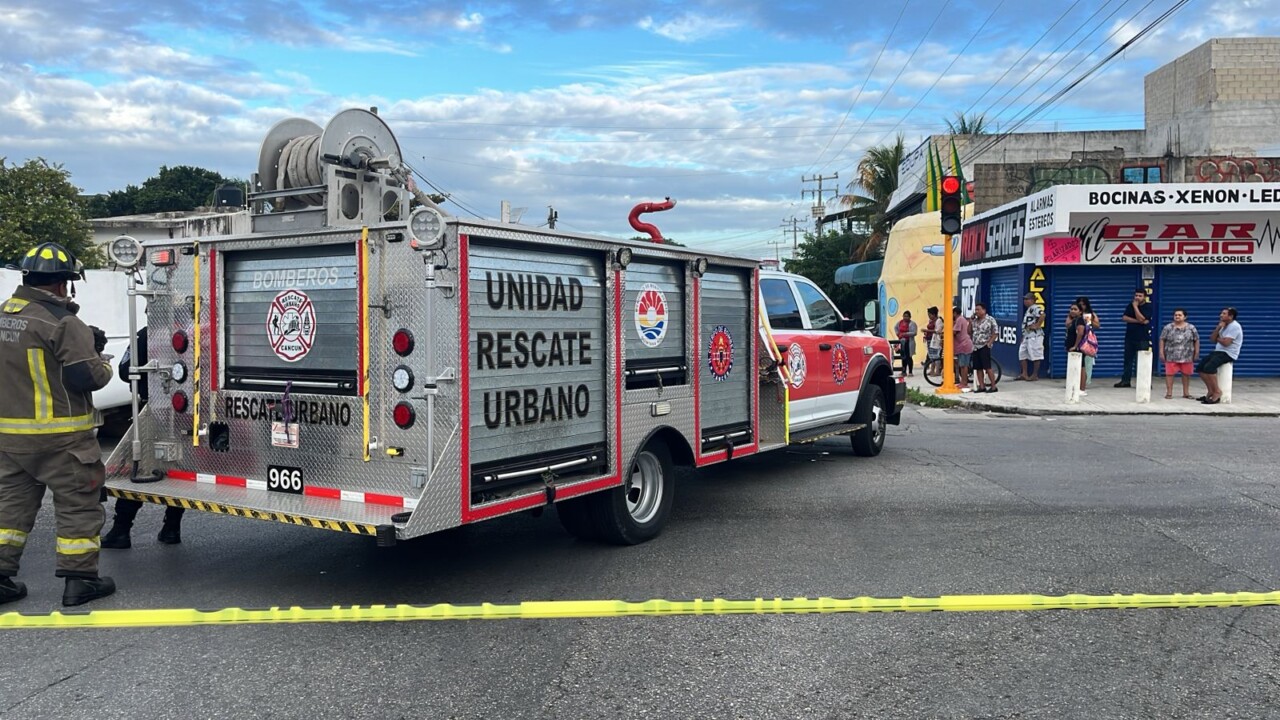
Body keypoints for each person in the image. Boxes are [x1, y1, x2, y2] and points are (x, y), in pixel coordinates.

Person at [0, 242, 116, 606]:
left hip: (9, 438)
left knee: (10, 509)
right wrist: (100, 355)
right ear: (64, 283)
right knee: (78, 504)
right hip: (61, 438)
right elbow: (88, 378)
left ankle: (1, 579)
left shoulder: (4, 314)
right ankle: (81, 580)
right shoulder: (64, 322)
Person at [101, 325, 185, 549]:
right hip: (187, 413)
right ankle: (172, 528)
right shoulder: (195, 331)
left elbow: (125, 369)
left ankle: (121, 530)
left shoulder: (146, 334)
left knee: (139, 470)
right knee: (180, 471)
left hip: (154, 410)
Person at [1196, 307, 1242, 405]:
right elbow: (1212, 339)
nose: (1221, 315)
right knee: (1200, 368)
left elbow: (1226, 343)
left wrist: (1218, 338)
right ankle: (1210, 391)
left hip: (1229, 353)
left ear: (1231, 316)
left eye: (1224, 313)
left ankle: (1217, 391)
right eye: (1221, 313)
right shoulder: (1223, 325)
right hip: (1218, 351)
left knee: (1209, 368)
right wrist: (1218, 328)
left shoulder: (1235, 326)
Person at [1159, 309, 1200, 400]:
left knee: (1186, 374)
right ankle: (1169, 393)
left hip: (1187, 355)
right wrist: (1161, 352)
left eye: (1179, 315)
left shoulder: (1191, 328)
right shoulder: (1168, 327)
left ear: (1185, 317)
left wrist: (1196, 352)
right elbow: (1162, 339)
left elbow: (1196, 340)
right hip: (1171, 355)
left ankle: (1186, 393)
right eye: (1175, 315)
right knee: (1169, 374)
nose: (1177, 317)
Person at [1116, 289, 1152, 388]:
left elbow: (1142, 318)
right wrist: (1139, 321)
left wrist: (1136, 307)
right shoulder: (1130, 305)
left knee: (1143, 360)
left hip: (1142, 337)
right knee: (1128, 360)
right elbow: (1124, 318)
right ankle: (1125, 381)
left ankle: (1145, 382)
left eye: (1140, 296)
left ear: (1144, 297)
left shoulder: (1148, 307)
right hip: (1130, 337)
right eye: (1136, 295)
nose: (1137, 297)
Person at [969, 302, 999, 393]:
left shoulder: (990, 320)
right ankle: (982, 386)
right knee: (978, 368)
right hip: (975, 346)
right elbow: (969, 331)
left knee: (987, 367)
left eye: (978, 309)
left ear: (984, 310)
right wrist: (970, 321)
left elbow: (995, 332)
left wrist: (990, 343)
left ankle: (993, 386)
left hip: (984, 345)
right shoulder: (975, 320)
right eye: (976, 310)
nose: (976, 311)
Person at [1076, 296, 1101, 390]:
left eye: (1083, 304)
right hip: (1076, 339)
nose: (1082, 306)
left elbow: (1098, 325)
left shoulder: (1091, 314)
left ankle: (1084, 383)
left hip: (1087, 341)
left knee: (1087, 363)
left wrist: (1088, 320)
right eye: (1080, 304)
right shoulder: (1075, 313)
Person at [1017, 293, 1044, 381]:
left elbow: (1042, 315)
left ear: (1032, 300)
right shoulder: (1029, 309)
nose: (1025, 301)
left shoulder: (1035, 307)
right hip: (1027, 335)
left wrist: (1037, 325)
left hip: (1035, 336)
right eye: (1024, 299)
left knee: (1036, 355)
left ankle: (1034, 375)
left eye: (1027, 299)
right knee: (1022, 353)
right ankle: (1024, 373)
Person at [1065, 302, 1088, 392]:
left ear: (1080, 311)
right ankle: (1077, 387)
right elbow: (1066, 324)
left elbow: (1080, 333)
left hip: (1078, 348)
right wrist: (1070, 315)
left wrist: (1075, 346)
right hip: (1072, 347)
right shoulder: (1074, 320)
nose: (1073, 311)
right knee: (1076, 367)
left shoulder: (1080, 320)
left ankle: (1082, 388)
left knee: (1081, 367)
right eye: (1071, 309)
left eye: (1075, 309)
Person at [952, 306, 973, 391]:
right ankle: (962, 382)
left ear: (955, 313)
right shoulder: (961, 319)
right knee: (962, 365)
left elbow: (955, 331)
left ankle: (964, 383)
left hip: (964, 345)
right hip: (962, 346)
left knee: (964, 365)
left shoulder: (959, 320)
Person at [895, 311, 918, 377]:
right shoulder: (900, 322)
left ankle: (910, 372)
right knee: (903, 357)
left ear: (910, 317)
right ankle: (903, 371)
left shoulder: (912, 324)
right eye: (904, 316)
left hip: (909, 342)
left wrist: (905, 334)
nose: (905, 317)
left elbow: (914, 332)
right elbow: (895, 327)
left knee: (909, 357)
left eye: (907, 316)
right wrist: (898, 334)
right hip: (902, 342)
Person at [924, 307, 942, 377]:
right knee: (931, 356)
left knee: (936, 355)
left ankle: (937, 371)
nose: (929, 316)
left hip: (935, 340)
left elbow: (938, 331)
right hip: (930, 339)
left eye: (930, 315)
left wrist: (927, 331)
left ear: (934, 314)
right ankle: (932, 370)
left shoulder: (938, 321)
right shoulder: (930, 321)